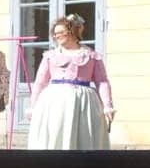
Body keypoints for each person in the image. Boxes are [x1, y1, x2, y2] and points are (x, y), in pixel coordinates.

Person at [28, 13, 114, 151]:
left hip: (84, 104)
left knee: (84, 138)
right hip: (55, 103)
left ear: (72, 32)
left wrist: (107, 105)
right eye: (55, 34)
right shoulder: (50, 56)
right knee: (56, 135)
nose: (57, 36)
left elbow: (102, 82)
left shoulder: (91, 56)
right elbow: (40, 83)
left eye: (61, 32)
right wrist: (32, 107)